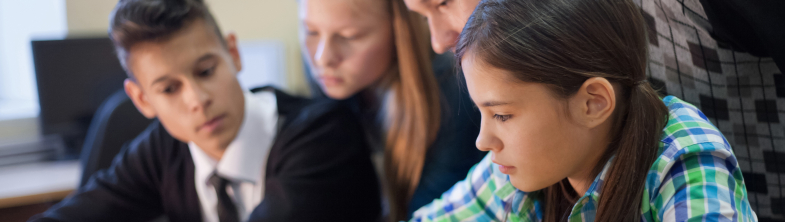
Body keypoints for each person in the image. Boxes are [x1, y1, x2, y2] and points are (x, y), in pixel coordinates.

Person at [30, 0, 380, 221]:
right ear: (142, 100)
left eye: (206, 71)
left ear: (234, 54)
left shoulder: (323, 132)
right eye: (169, 89)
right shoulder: (161, 150)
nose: (197, 99)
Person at [411, 0, 758, 221]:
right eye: (482, 113)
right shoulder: (518, 166)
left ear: (593, 102)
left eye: (501, 115)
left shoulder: (686, 160)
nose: (483, 142)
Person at [298, 0, 486, 219]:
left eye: (349, 36)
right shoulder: (328, 80)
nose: (323, 58)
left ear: (399, 31)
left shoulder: (453, 95)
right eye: (311, 32)